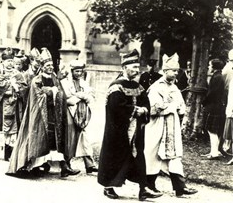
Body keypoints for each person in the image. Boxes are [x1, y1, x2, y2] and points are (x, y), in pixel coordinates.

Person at [97, 49, 162, 201]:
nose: (136, 70)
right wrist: (135, 110)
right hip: (118, 130)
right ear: (124, 68)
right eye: (133, 67)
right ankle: (109, 187)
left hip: (135, 131)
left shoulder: (137, 86)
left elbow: (145, 101)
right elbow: (116, 107)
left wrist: (144, 109)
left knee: (138, 157)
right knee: (115, 157)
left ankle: (143, 189)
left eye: (137, 67)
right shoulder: (116, 86)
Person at [6, 48, 81, 178]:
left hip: (54, 114)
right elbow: (37, 96)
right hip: (41, 116)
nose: (50, 67)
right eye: (47, 65)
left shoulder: (55, 78)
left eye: (51, 65)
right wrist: (51, 92)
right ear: (42, 67)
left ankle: (64, 167)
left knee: (56, 141)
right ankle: (31, 166)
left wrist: (56, 93)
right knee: (40, 139)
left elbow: (61, 94)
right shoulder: (37, 80)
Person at [144, 53, 198, 197]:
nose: (175, 74)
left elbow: (181, 106)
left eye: (177, 71)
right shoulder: (156, 87)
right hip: (157, 126)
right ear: (165, 70)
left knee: (174, 156)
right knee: (153, 156)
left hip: (172, 126)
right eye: (173, 71)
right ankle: (149, 186)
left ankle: (180, 187)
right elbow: (153, 109)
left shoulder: (174, 87)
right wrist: (170, 107)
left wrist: (173, 107)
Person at [60, 59, 98, 174]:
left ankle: (89, 165)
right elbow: (67, 100)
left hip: (82, 113)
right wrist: (81, 97)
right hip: (70, 113)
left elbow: (91, 96)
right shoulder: (65, 82)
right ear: (71, 71)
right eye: (76, 71)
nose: (78, 74)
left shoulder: (84, 83)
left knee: (84, 137)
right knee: (70, 138)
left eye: (80, 71)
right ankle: (66, 165)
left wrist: (81, 96)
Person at [202, 59, 226, 159]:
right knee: (216, 130)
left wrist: (204, 102)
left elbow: (212, 93)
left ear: (214, 67)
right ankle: (214, 151)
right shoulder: (219, 76)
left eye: (210, 65)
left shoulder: (216, 77)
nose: (209, 67)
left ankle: (214, 153)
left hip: (213, 106)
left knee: (211, 130)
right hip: (218, 106)